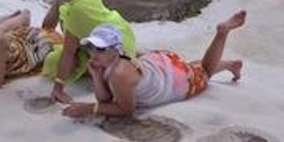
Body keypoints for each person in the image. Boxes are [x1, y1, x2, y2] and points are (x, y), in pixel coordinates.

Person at [62, 10, 246, 118]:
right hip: (163, 64)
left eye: (100, 49)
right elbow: (106, 99)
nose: (93, 53)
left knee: (204, 72)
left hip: (173, 78)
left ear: (114, 50)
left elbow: (126, 110)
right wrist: (96, 76)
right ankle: (230, 65)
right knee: (193, 68)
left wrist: (87, 109)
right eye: (91, 47)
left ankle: (222, 33)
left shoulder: (119, 74)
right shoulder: (111, 61)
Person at [40, 0, 136, 104]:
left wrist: (58, 89)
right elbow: (47, 26)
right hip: (121, 36)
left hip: (115, 47)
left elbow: (68, 52)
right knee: (60, 57)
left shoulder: (77, 10)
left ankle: (105, 71)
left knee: (54, 61)